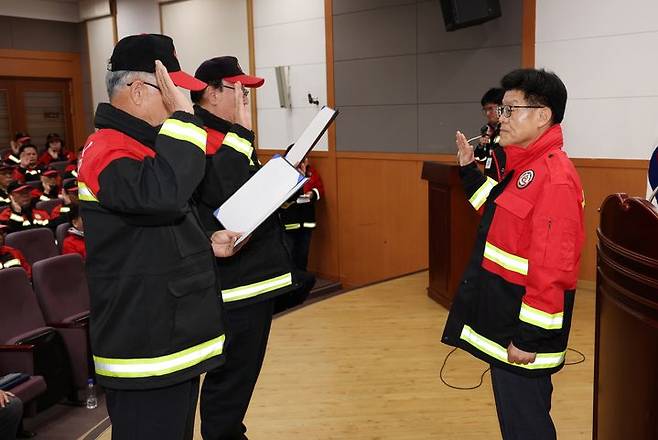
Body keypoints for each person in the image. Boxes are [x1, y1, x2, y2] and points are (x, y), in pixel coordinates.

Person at [77, 34, 241, 440]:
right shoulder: (108, 149)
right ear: (136, 90)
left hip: (170, 342)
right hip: (145, 348)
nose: (180, 101)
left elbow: (149, 227)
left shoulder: (141, 144)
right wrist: (186, 120)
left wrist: (206, 242)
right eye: (172, 91)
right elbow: (161, 197)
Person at [442, 68, 585, 440]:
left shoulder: (553, 177)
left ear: (542, 115)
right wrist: (468, 169)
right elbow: (495, 213)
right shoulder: (525, 167)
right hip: (507, 321)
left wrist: (529, 336)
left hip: (523, 337)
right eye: (500, 110)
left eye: (509, 110)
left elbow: (555, 267)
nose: (499, 119)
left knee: (527, 429)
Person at [191, 56, 308, 440]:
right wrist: (241, 134)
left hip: (252, 280)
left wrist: (288, 180)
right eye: (238, 90)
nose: (245, 99)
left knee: (240, 377)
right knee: (230, 379)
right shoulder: (206, 138)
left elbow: (251, 198)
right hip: (234, 284)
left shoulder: (229, 136)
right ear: (210, 92)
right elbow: (226, 198)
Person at [279, 154, 324, 271]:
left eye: (306, 158)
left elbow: (319, 188)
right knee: (289, 253)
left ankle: (302, 277)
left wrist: (312, 194)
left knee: (303, 253)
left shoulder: (311, 172)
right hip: (289, 223)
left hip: (306, 221)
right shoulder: (284, 174)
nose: (305, 161)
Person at [474, 87, 506, 180]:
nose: (488, 113)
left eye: (491, 109)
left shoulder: (509, 129)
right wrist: (481, 146)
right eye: (485, 110)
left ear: (502, 107)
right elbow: (480, 158)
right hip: (491, 177)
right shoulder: (488, 130)